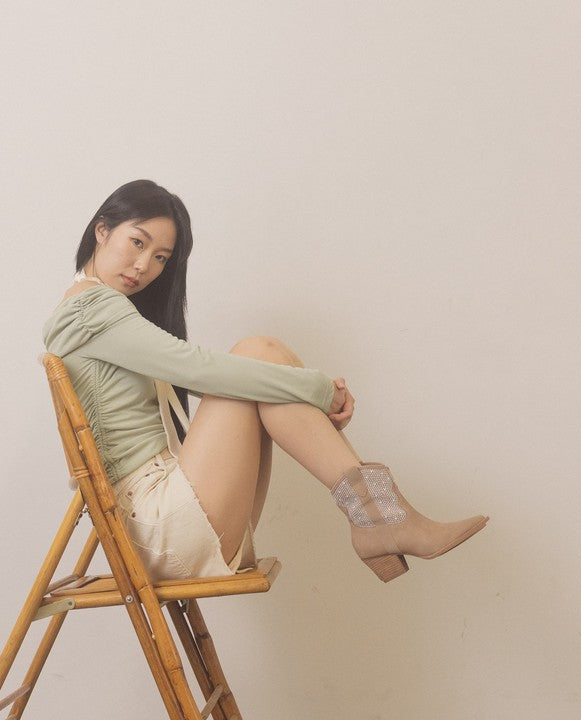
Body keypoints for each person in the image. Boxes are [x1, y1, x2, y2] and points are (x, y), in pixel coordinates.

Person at [43, 179, 488, 584]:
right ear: (103, 230)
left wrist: (309, 390)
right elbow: (195, 368)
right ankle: (382, 517)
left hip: (161, 526)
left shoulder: (100, 311)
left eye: (160, 258)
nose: (144, 266)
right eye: (137, 242)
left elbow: (198, 374)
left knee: (263, 356)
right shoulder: (90, 309)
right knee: (257, 353)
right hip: (157, 530)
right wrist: (319, 390)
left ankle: (379, 516)